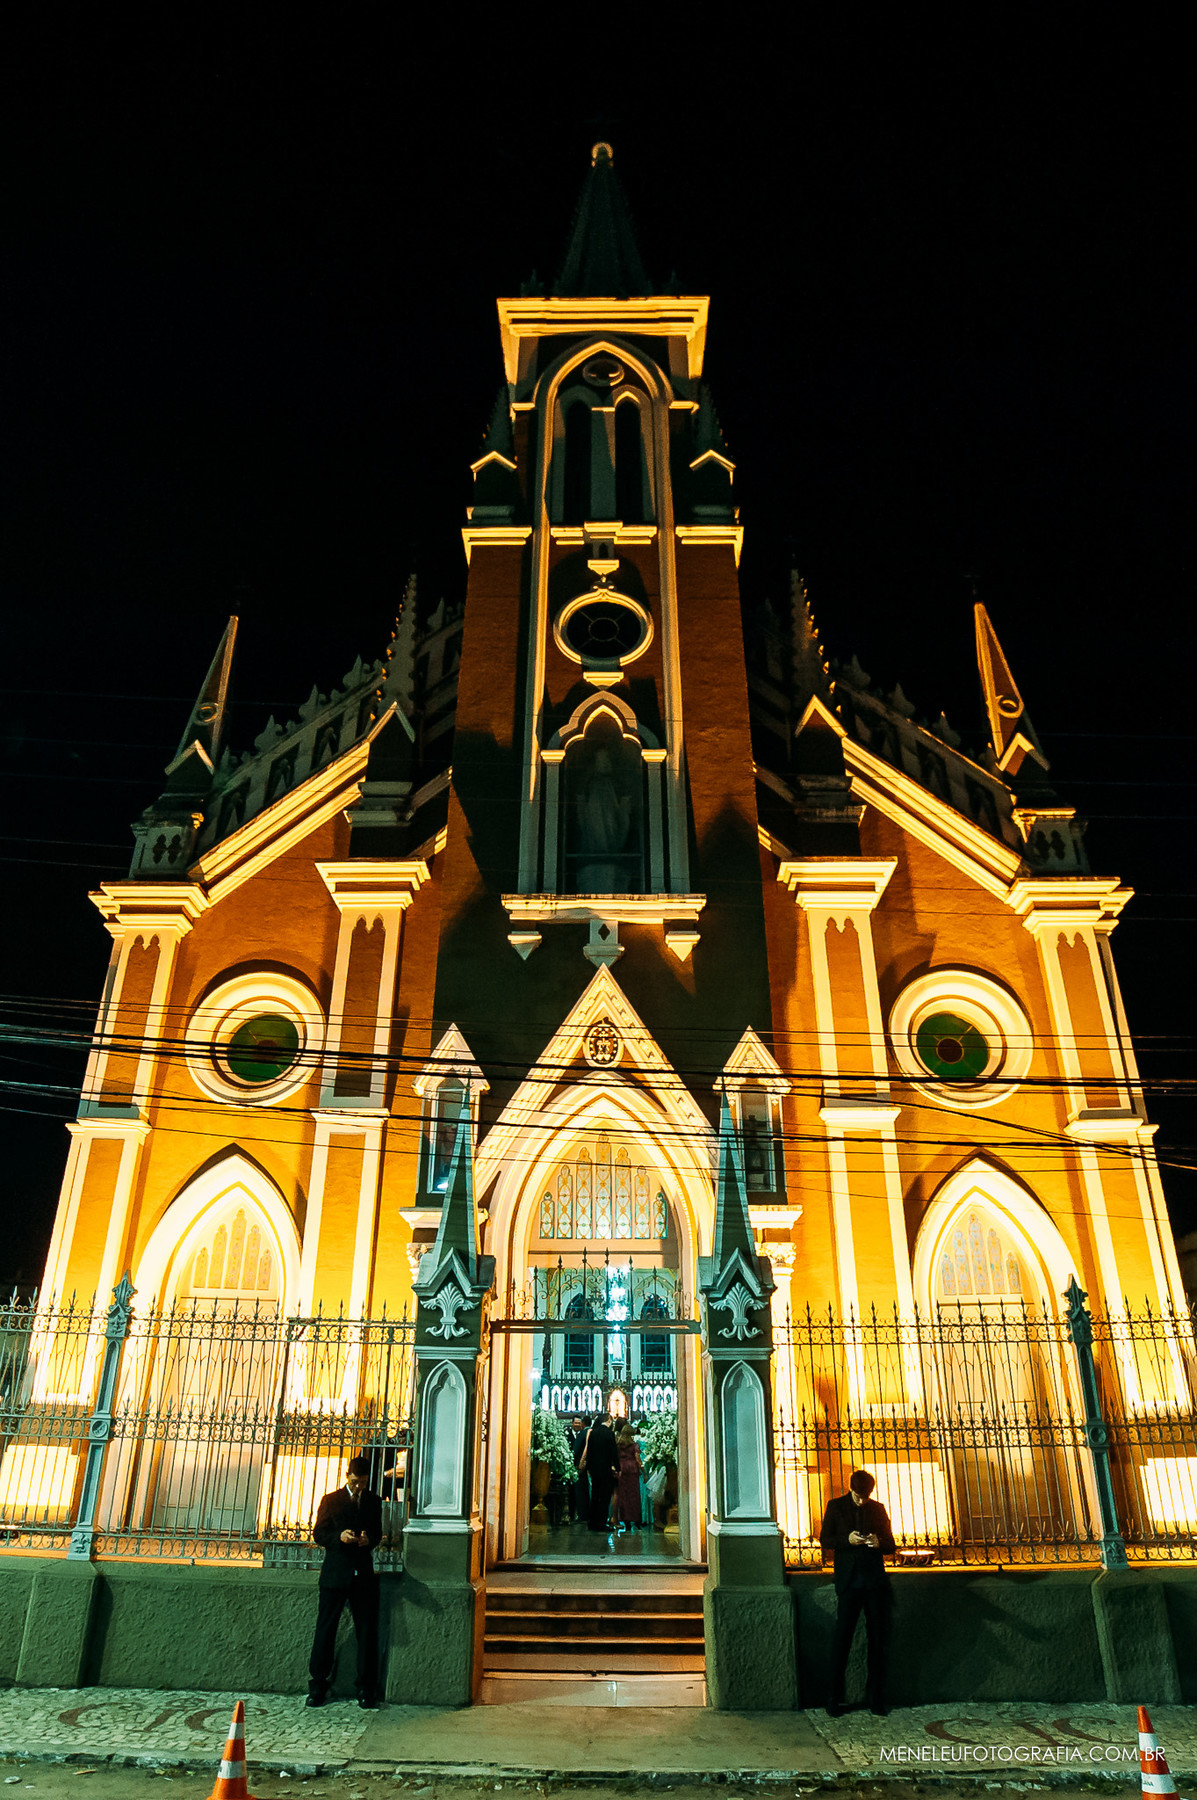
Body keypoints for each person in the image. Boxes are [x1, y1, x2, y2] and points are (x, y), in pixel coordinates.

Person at [307, 1454, 383, 1709]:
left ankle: (366, 1687)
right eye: (355, 1481)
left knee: (367, 1631)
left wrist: (368, 1540)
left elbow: (377, 1532)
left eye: (363, 1482)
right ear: (346, 1475)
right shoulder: (331, 1500)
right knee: (326, 1628)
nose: (359, 1487)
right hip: (336, 1572)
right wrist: (339, 1537)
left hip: (362, 1574)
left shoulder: (373, 1502)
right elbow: (319, 1532)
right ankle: (318, 1684)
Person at [819, 1469, 896, 1717]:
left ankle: (875, 1698)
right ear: (851, 1489)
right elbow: (825, 1539)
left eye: (866, 1496)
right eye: (859, 1495)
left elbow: (891, 1544)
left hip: (874, 1583)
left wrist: (878, 1542)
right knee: (842, 1640)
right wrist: (847, 1540)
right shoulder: (836, 1506)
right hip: (849, 1583)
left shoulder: (878, 1508)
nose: (863, 1500)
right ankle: (833, 1698)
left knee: (877, 1642)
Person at [581, 1412, 620, 1533]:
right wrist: (618, 1468)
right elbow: (613, 1452)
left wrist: (588, 1468)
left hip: (594, 1469)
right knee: (604, 1497)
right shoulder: (609, 1434)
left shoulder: (593, 1432)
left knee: (595, 1495)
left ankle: (592, 1522)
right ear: (609, 1420)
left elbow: (590, 1452)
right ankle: (601, 1523)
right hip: (605, 1470)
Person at [615, 1424, 642, 1532]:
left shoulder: (619, 1445)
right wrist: (643, 1472)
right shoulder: (634, 1445)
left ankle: (626, 1521)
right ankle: (636, 1520)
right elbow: (638, 1459)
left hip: (622, 1469)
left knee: (623, 1495)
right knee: (634, 1495)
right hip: (632, 1469)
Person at [567, 1416, 589, 1525]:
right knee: (572, 1492)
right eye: (575, 1423)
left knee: (581, 1491)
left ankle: (582, 1514)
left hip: (581, 1468)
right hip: (570, 1466)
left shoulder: (584, 1434)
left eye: (579, 1423)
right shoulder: (567, 1434)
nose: (577, 1425)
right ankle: (571, 1514)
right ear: (572, 1423)